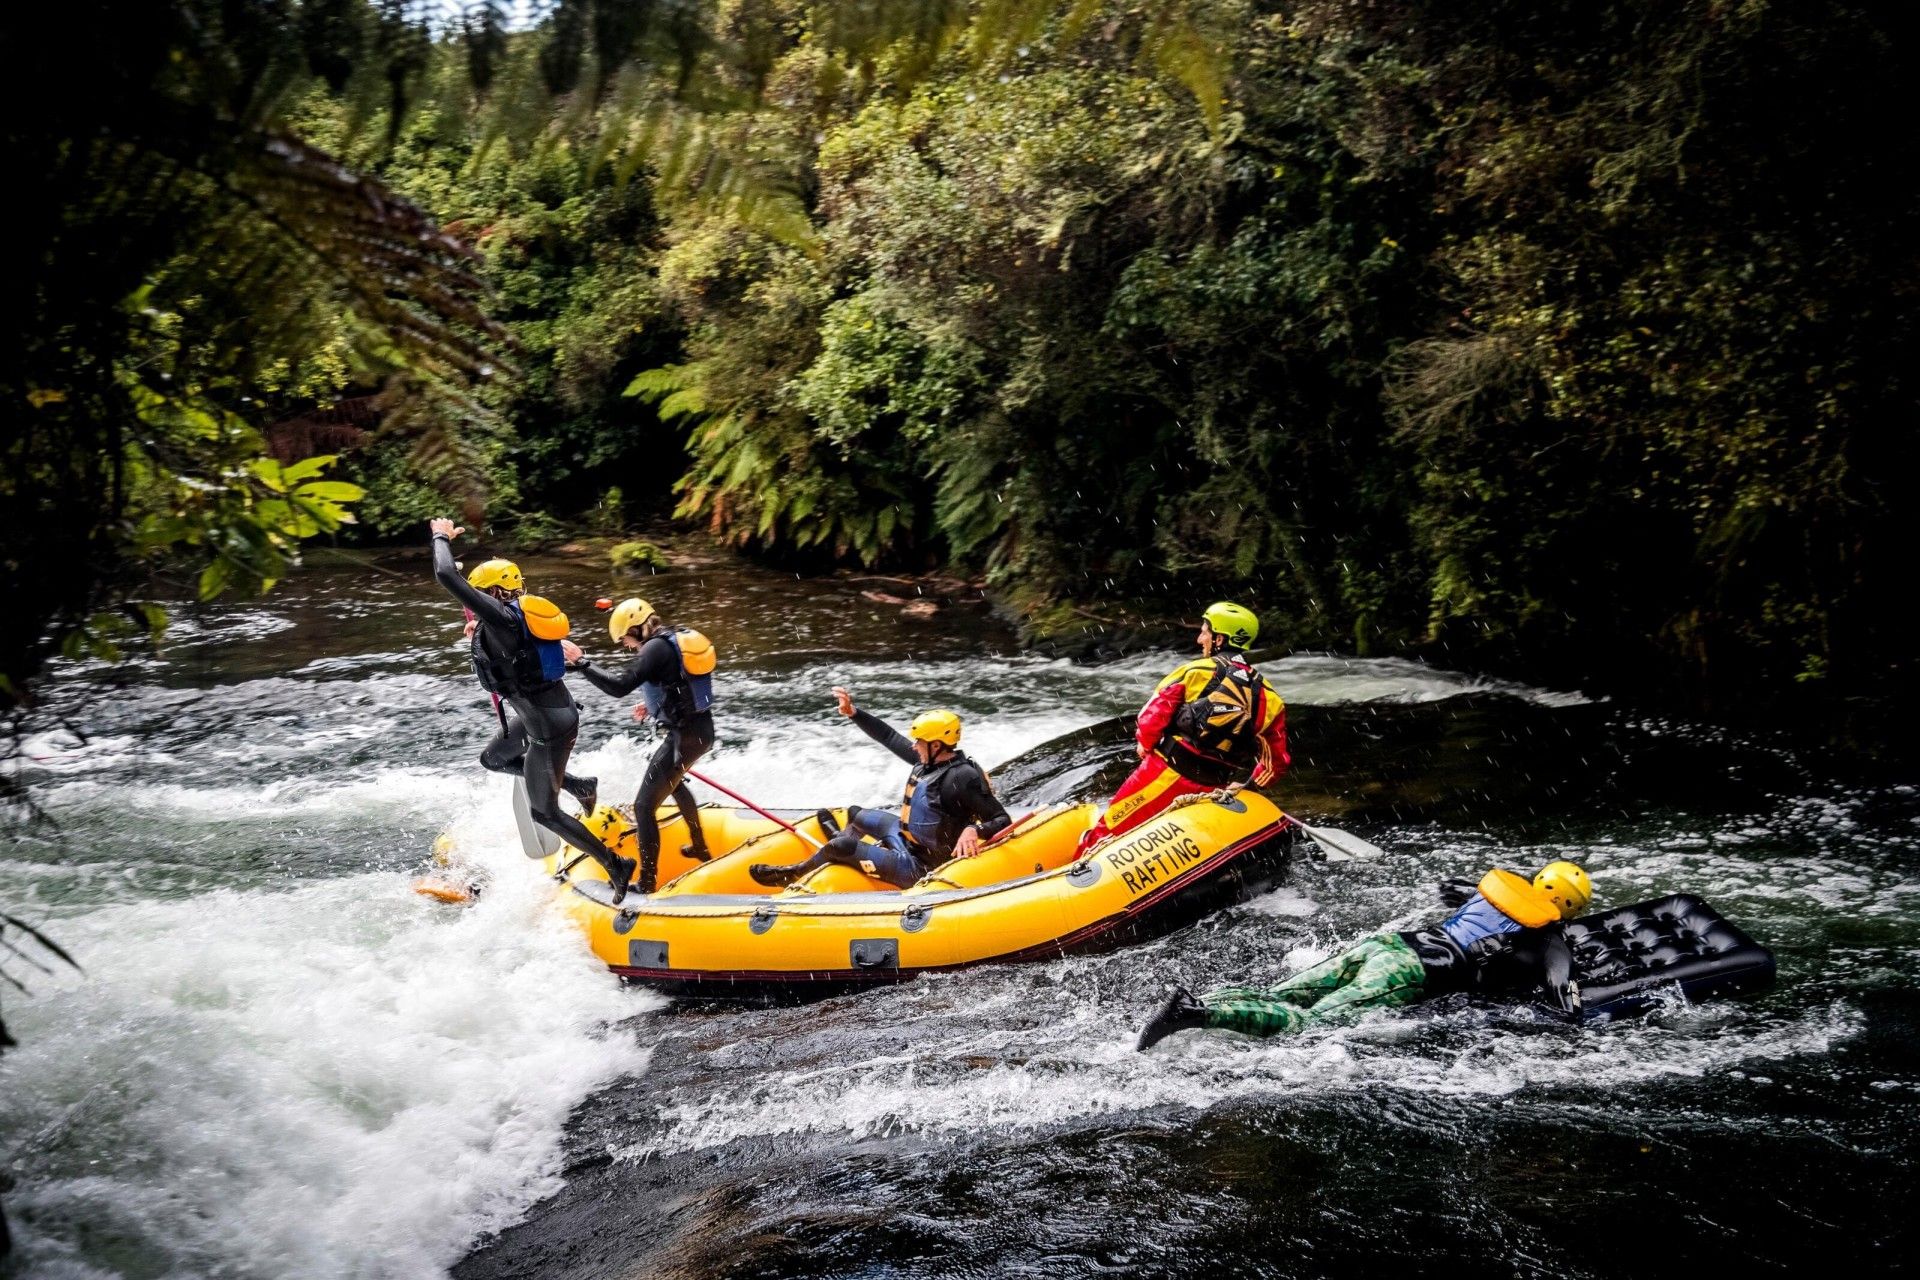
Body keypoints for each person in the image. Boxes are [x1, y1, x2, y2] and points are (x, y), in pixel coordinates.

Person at [1136, 861, 1594, 1048]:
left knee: (1286, 994)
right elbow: (1563, 999)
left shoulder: (1490, 892)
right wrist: (1575, 1025)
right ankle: (1196, 1013)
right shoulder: (1549, 940)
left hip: (1388, 945)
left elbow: (1448, 887)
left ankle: (1206, 1000)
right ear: (1571, 907)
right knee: (1307, 1026)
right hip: (1408, 973)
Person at [428, 519, 636, 901]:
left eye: (480, 595)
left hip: (549, 727)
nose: (477, 601)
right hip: (541, 712)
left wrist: (440, 535)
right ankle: (578, 784)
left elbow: (444, 573)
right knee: (493, 757)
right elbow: (510, 651)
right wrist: (481, 637)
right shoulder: (514, 616)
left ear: (492, 592)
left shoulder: (502, 617)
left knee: (545, 812)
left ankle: (615, 864)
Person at [1077, 601, 1290, 854]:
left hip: (1166, 772)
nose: (1200, 639)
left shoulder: (1194, 671)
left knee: (1105, 834)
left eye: (1205, 632)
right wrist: (1250, 786)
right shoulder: (1270, 697)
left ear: (1220, 639)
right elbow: (1277, 762)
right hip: (1215, 788)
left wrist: (1144, 746)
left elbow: (1151, 716)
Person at [749, 688, 1012, 889]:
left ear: (937, 746)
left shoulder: (962, 777)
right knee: (855, 814)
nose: (913, 746)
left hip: (921, 866)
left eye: (919, 741)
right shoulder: (927, 764)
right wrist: (854, 713)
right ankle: (835, 845)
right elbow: (888, 737)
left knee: (843, 847)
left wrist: (974, 830)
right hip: (906, 840)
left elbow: (1001, 819)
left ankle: (793, 873)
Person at [564, 597, 715, 896]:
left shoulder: (654, 648)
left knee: (643, 806)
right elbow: (677, 684)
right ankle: (699, 846)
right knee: (673, 784)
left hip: (683, 738)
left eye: (625, 639)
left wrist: (582, 663)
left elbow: (618, 687)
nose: (626, 645)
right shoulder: (669, 639)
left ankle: (647, 881)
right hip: (698, 731)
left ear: (635, 629)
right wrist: (653, 706)